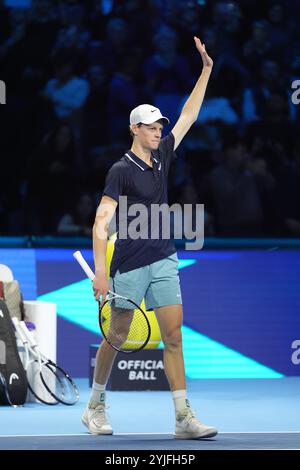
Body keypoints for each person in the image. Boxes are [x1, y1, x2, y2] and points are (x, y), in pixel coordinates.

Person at [82, 37, 218, 439]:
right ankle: (95, 406)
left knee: (174, 336)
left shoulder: (163, 155)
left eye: (161, 126)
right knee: (117, 338)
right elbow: (100, 223)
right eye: (152, 126)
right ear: (134, 129)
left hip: (164, 259)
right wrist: (102, 276)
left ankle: (183, 419)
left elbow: (189, 116)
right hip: (128, 264)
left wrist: (206, 70)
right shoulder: (119, 170)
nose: (160, 131)